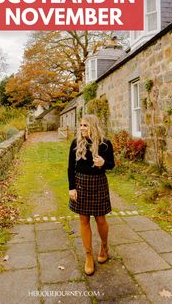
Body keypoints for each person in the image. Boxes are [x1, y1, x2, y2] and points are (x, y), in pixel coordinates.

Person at [68, 114, 115, 275]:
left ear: (93, 126)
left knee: (100, 219)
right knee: (83, 219)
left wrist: (103, 163)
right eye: (80, 125)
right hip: (80, 183)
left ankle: (104, 246)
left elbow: (112, 165)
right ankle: (88, 255)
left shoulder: (105, 144)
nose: (82, 128)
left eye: (85, 126)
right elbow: (70, 168)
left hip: (98, 183)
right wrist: (71, 188)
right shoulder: (76, 143)